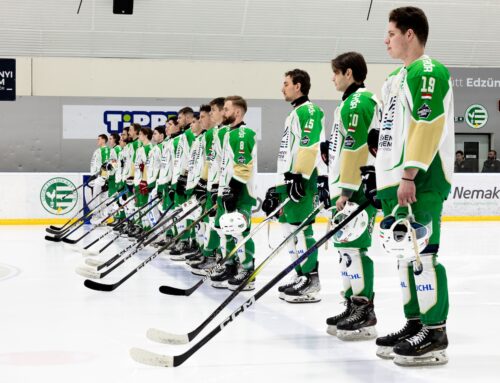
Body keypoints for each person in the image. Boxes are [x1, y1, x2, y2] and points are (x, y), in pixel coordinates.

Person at [374, 6, 453, 366]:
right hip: (398, 183)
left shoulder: (427, 71)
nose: (386, 39)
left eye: (391, 32)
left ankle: (435, 332)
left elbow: (427, 124)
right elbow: (387, 130)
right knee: (406, 256)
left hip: (422, 181)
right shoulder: (395, 78)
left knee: (424, 256)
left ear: (409, 34)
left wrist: (408, 175)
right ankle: (415, 323)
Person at [323, 52, 379, 340]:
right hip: (345, 187)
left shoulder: (358, 102)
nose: (332, 78)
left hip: (355, 188)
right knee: (345, 249)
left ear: (348, 73)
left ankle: (363, 308)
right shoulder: (349, 103)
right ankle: (351, 304)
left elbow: (357, 148)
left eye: (335, 72)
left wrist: (345, 190)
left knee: (355, 248)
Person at [263, 69, 325, 303]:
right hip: (289, 180)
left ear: (298, 86)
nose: (283, 88)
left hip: (302, 180)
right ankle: (300, 275)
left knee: (302, 229)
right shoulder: (294, 114)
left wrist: (297, 176)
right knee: (289, 231)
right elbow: (289, 152)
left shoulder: (309, 111)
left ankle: (311, 278)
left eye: (286, 83)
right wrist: (279, 183)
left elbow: (309, 145)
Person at [209, 96, 257, 290]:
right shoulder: (228, 133)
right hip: (225, 191)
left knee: (239, 230)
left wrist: (234, 191)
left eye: (227, 109)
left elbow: (243, 166)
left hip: (240, 192)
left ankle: (247, 269)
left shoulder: (244, 134)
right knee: (224, 231)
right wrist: (217, 189)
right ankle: (230, 265)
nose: (223, 112)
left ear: (237, 112)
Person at [190, 98, 228, 273]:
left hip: (223, 186)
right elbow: (208, 162)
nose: (205, 118)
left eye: (207, 114)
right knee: (209, 221)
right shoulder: (209, 136)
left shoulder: (221, 133)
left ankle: (218, 257)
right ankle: (209, 253)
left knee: (219, 224)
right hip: (211, 184)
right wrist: (202, 182)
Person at [89, 134, 111, 225]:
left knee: (100, 198)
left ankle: (102, 217)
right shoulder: (98, 150)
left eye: (99, 139)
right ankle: (99, 216)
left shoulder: (105, 150)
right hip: (96, 178)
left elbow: (105, 164)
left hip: (101, 178)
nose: (97, 141)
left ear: (103, 140)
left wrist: (104, 179)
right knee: (96, 198)